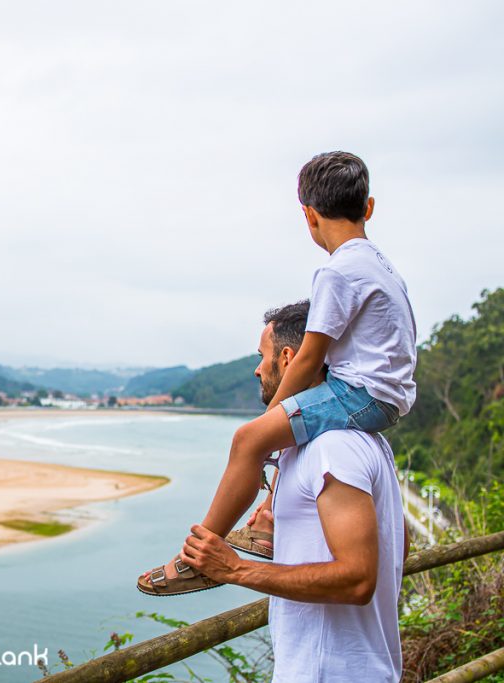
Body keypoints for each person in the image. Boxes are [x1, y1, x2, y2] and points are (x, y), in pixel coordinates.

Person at [138, 151, 416, 595]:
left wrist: (271, 415)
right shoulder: (383, 267)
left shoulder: (338, 271)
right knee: (284, 437)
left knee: (249, 440)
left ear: (308, 215)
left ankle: (197, 557)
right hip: (384, 398)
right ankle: (268, 523)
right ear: (368, 208)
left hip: (360, 393)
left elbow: (308, 358)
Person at [176, 300, 408, 682]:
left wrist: (235, 568)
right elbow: (398, 543)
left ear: (287, 358)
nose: (256, 368)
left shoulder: (332, 447)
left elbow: (358, 579)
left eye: (261, 355)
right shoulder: (368, 441)